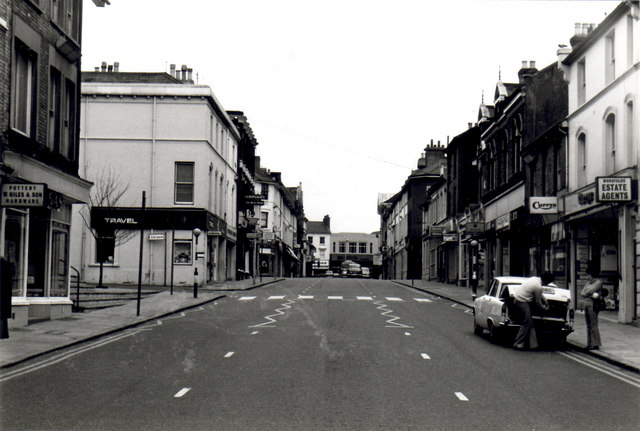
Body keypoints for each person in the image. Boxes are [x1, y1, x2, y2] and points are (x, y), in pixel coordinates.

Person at [512, 273, 552, 350]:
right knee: (527, 322)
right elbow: (538, 301)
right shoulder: (538, 286)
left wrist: (545, 300)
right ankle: (518, 343)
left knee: (531, 322)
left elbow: (539, 294)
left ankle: (533, 345)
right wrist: (544, 308)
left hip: (517, 299)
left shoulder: (535, 279)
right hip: (522, 301)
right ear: (547, 282)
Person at [581, 266, 603, 350]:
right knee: (588, 325)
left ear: (592, 274)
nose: (587, 277)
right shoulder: (588, 282)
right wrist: (588, 293)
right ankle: (589, 343)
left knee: (593, 324)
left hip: (593, 305)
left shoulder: (598, 282)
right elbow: (582, 293)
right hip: (586, 304)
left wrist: (587, 293)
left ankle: (596, 344)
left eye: (588, 275)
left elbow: (589, 291)